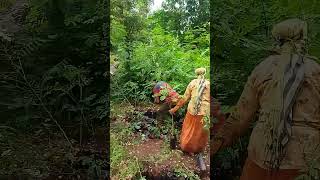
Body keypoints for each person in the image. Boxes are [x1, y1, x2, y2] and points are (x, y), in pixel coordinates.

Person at [211, 18, 320, 180]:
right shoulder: (316, 70)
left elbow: (240, 116)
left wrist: (216, 143)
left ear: (278, 40)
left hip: (261, 154)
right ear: (302, 39)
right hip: (304, 159)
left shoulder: (263, 68)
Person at [169, 68, 210, 171]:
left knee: (189, 130)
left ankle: (187, 148)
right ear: (204, 74)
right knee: (201, 133)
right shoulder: (208, 84)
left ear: (196, 74)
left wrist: (174, 109)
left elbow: (184, 98)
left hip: (192, 111)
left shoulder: (192, 83)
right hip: (205, 113)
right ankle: (198, 150)